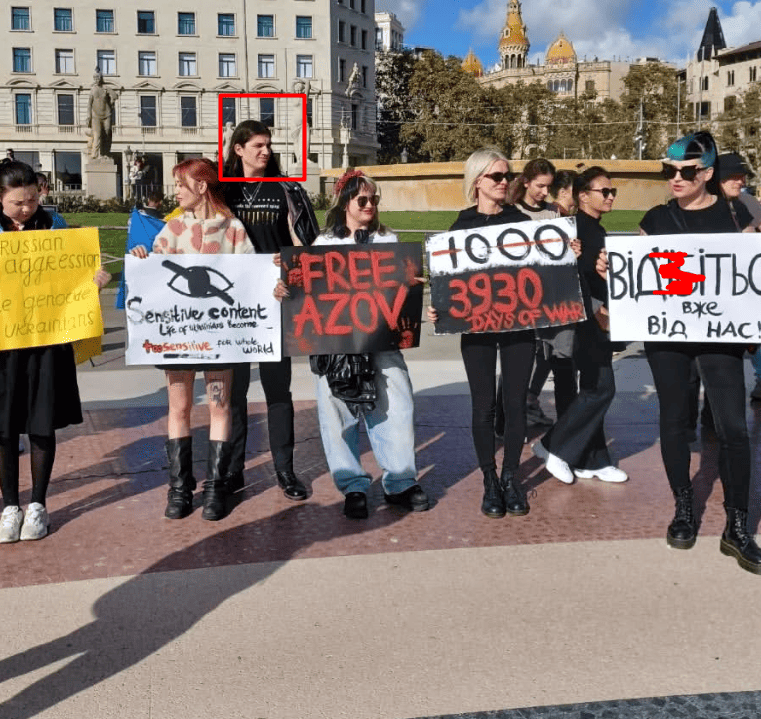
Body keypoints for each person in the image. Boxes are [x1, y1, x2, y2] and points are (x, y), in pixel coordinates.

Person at [0, 161, 110, 544]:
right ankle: (10, 507)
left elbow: (73, 276)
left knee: (42, 423)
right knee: (4, 426)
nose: (26, 209)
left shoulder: (55, 227)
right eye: (17, 203)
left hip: (44, 340)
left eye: (31, 200)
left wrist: (93, 281)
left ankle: (39, 505)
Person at [638, 131, 761, 575]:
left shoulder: (735, 217)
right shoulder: (655, 219)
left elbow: (758, 271)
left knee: (733, 427)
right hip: (668, 339)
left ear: (708, 173)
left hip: (720, 337)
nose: (675, 177)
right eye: (669, 169)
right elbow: (635, 275)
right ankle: (684, 506)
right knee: (674, 423)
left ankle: (737, 526)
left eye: (686, 171)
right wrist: (608, 267)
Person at [292, 170, 428, 518]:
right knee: (337, 415)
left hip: (381, 339)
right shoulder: (323, 245)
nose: (370, 205)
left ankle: (400, 481)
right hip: (335, 345)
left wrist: (411, 282)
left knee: (396, 408)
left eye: (374, 199)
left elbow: (401, 288)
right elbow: (305, 291)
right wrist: (286, 287)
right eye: (362, 200)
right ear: (345, 203)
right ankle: (352, 485)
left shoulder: (389, 240)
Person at [131, 158, 254, 521]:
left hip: (219, 337)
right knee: (179, 408)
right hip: (179, 338)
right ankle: (180, 488)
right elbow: (154, 276)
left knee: (219, 406)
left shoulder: (233, 229)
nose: (175, 191)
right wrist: (143, 258)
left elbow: (249, 275)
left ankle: (215, 487)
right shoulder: (171, 229)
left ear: (201, 186)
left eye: (181, 185)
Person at [429, 149, 536, 518]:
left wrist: (565, 252)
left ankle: (511, 477)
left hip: (519, 326)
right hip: (477, 329)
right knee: (483, 405)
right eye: (496, 177)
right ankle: (490, 480)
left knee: (516, 402)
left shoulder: (523, 223)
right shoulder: (459, 229)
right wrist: (438, 307)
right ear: (477, 182)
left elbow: (544, 273)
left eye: (507, 175)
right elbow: (447, 286)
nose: (505, 182)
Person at [223, 120, 319, 501]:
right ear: (239, 150)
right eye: (258, 145)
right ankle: (232, 471)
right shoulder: (219, 193)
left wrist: (290, 262)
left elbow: (311, 246)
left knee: (279, 389)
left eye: (268, 145)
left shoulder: (287, 190)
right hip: (231, 307)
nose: (265, 151)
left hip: (275, 301)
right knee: (234, 393)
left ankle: (285, 470)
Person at [531, 167, 627, 484]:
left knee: (593, 389)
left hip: (596, 319)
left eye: (613, 191)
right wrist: (600, 313)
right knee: (601, 389)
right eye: (605, 191)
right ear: (583, 195)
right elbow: (572, 278)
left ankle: (593, 460)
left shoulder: (593, 228)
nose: (611, 196)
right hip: (586, 321)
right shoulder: (578, 229)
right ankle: (552, 445)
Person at [508, 158, 577, 429]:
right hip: (521, 296)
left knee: (552, 354)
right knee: (525, 355)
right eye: (539, 186)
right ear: (525, 182)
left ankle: (531, 401)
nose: (544, 193)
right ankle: (516, 410)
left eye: (548, 187)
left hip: (551, 294)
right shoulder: (510, 211)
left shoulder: (555, 214)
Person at [718, 153, 761, 401]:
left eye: (742, 176)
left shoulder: (747, 202)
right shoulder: (701, 203)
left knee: (752, 330)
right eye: (734, 176)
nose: (741, 181)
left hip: (743, 280)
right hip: (712, 283)